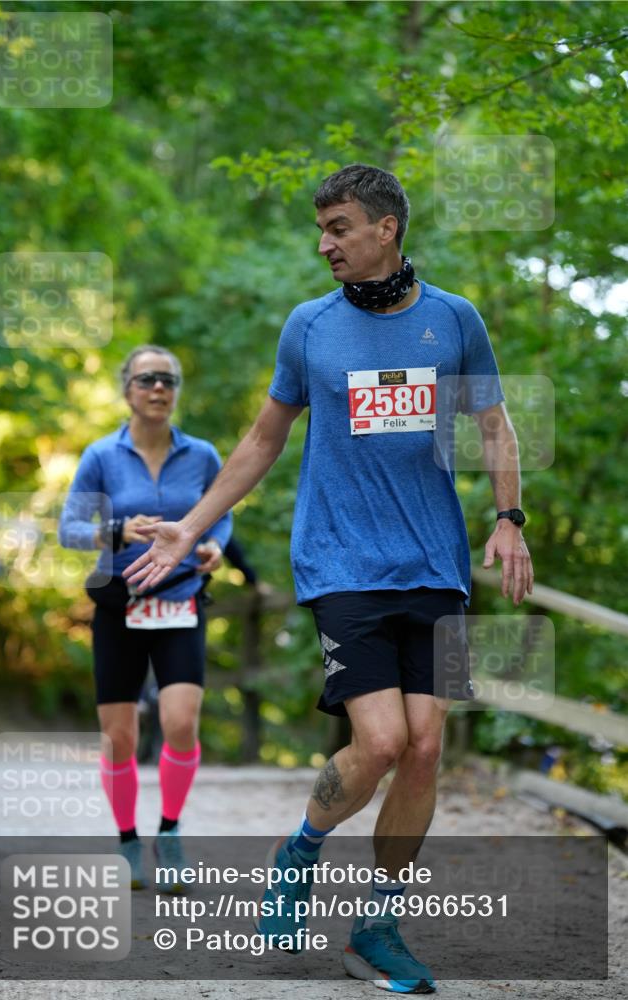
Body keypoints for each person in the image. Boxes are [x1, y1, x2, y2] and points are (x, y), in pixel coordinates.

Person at [123, 165, 534, 992]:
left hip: (436, 567)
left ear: (385, 228)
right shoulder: (308, 327)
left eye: (339, 227)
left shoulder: (454, 321)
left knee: (424, 749)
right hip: (341, 561)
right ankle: (300, 847)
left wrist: (507, 518)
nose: (324, 244)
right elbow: (262, 441)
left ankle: (377, 924)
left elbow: (493, 425)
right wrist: (192, 526)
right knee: (378, 742)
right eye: (321, 229)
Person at [59, 345, 231, 889]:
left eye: (169, 380)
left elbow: (220, 517)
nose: (159, 388)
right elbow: (67, 529)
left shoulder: (202, 454)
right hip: (118, 602)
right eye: (147, 379)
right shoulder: (100, 456)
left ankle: (171, 831)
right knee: (120, 737)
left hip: (180, 597)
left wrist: (213, 548)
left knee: (181, 721)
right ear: (127, 390)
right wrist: (115, 531)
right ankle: (128, 838)